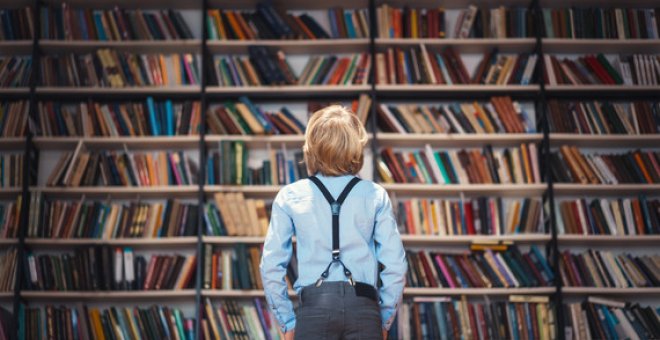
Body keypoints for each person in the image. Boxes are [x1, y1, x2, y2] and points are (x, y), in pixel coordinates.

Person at [260, 105, 407, 340]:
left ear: (311, 147)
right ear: (356, 146)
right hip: (364, 310)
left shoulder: (290, 195)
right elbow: (396, 266)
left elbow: (270, 266)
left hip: (313, 310)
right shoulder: (375, 194)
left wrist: (287, 322)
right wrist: (385, 319)